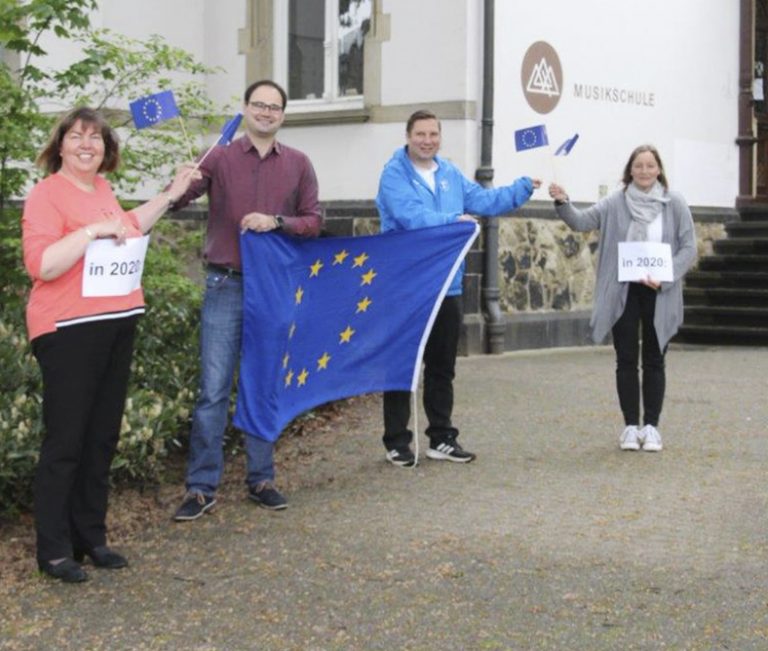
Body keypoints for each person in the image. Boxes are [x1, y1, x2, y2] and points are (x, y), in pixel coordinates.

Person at [22, 106, 198, 583]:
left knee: (101, 437)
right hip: (67, 330)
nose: (87, 145)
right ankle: (55, 551)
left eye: (96, 138)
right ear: (60, 145)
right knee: (66, 440)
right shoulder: (46, 195)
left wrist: (171, 193)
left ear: (107, 149)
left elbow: (129, 225)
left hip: (115, 322)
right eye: (77, 136)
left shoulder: (100, 190)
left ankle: (90, 538)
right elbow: (43, 265)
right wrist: (90, 231)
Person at [171, 80, 322, 521]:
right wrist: (179, 184)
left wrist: (276, 221)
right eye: (259, 105)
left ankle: (262, 479)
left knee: (263, 384)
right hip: (225, 285)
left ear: (282, 115)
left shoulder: (298, 164)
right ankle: (201, 488)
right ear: (245, 109)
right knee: (213, 390)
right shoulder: (218, 157)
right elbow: (179, 202)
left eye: (274, 107)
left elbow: (314, 222)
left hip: (272, 288)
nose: (266, 112)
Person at [375, 109, 541, 467]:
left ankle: (441, 437)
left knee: (442, 366)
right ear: (408, 136)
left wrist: (524, 187)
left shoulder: (449, 173)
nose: (427, 140)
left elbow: (484, 201)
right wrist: (453, 221)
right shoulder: (393, 175)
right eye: (420, 134)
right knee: (402, 365)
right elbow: (411, 217)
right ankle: (397, 441)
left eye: (433, 134)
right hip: (406, 287)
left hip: (446, 285)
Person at [548, 144, 697, 452]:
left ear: (659, 170)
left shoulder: (675, 202)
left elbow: (689, 248)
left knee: (655, 359)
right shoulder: (615, 202)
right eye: (638, 166)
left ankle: (652, 427)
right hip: (623, 291)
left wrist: (666, 276)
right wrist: (563, 202)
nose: (644, 171)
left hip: (660, 291)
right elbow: (581, 221)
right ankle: (630, 426)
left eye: (650, 166)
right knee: (626, 359)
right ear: (630, 170)